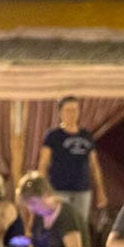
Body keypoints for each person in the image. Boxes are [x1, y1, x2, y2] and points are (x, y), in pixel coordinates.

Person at [37, 95, 108, 227]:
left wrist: (100, 190)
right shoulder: (53, 136)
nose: (72, 114)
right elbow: (43, 163)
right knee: (59, 224)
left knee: (80, 225)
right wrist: (42, 189)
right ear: (60, 113)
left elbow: (94, 165)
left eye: (75, 110)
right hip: (58, 189)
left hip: (82, 190)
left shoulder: (86, 135)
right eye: (68, 110)